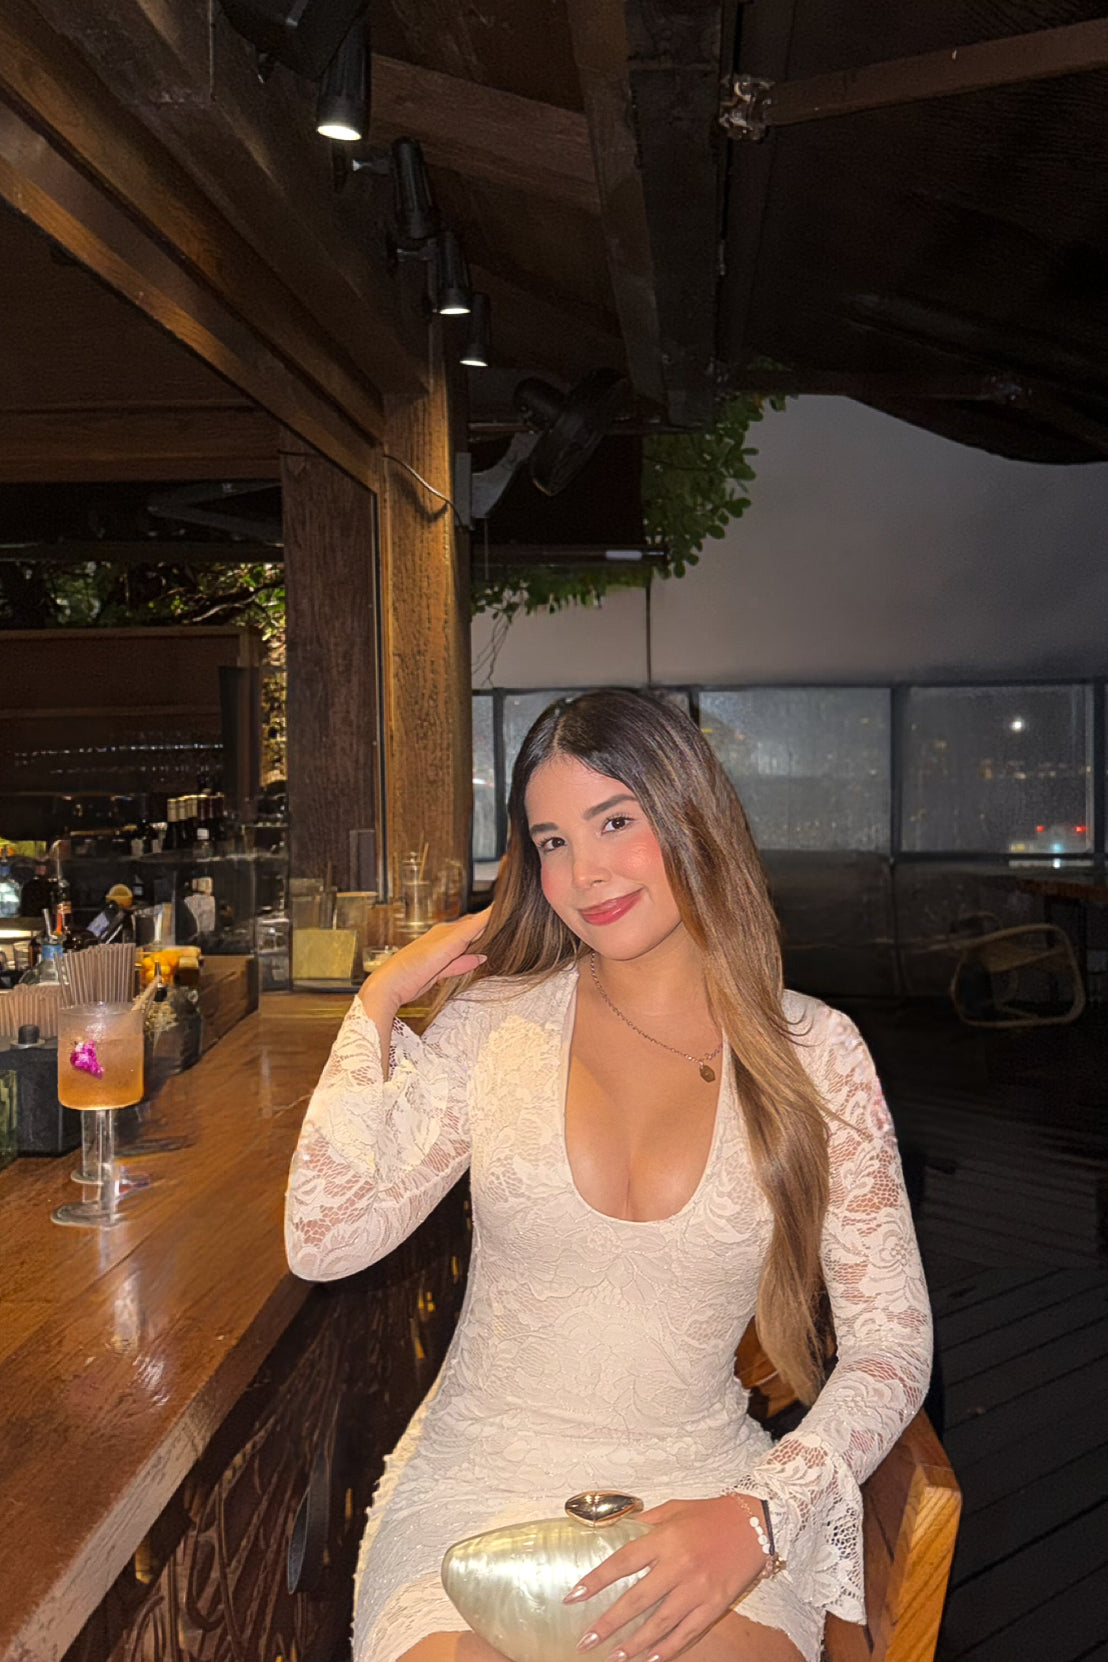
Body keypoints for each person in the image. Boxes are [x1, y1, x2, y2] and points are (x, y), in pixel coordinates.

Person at [285, 689, 932, 1662]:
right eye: (552, 841)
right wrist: (381, 999)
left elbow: (891, 1342)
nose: (585, 873)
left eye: (615, 822)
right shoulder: (495, 1025)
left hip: (704, 1492)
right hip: (476, 1485)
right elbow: (324, 1242)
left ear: (691, 816)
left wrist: (759, 1515)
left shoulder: (816, 1054)